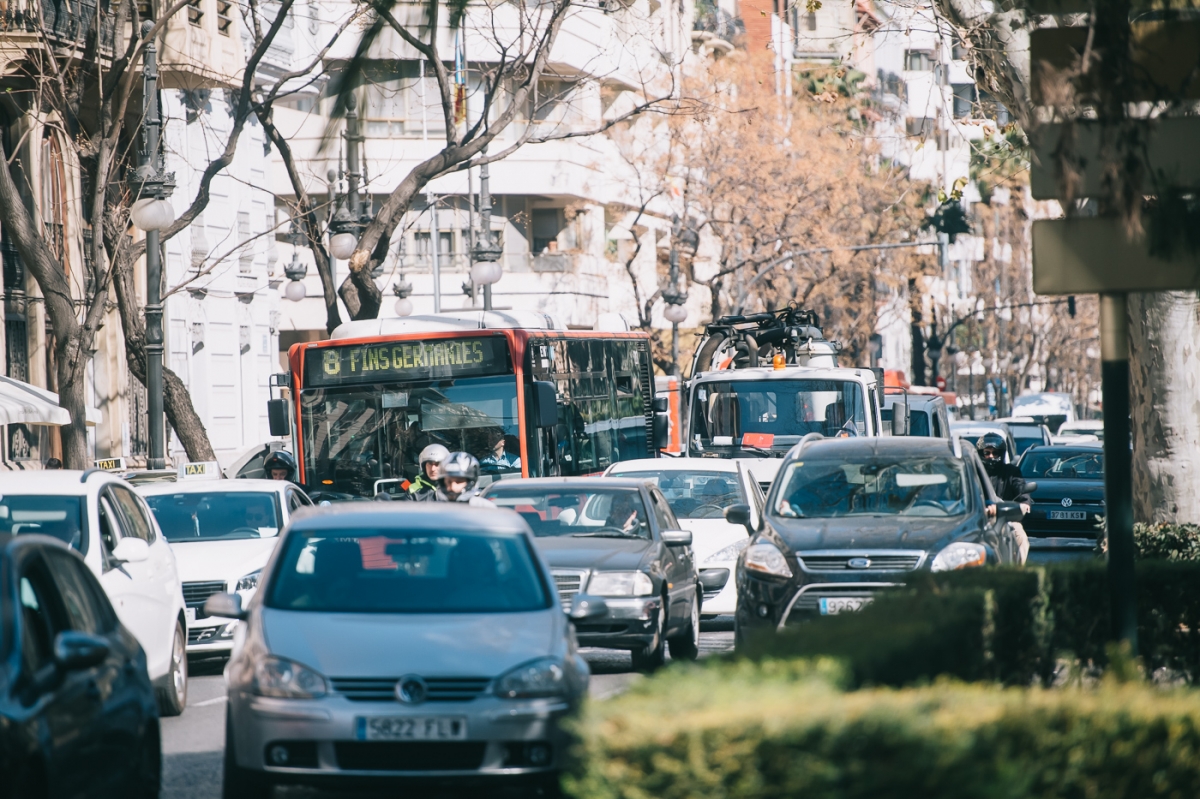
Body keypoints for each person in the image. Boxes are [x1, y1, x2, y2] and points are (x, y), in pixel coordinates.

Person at [977, 432, 1031, 564]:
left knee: (1020, 537)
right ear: (981, 453)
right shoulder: (973, 472)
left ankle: (1019, 571)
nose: (991, 456)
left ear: (1001, 454)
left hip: (1005, 518)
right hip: (977, 518)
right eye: (987, 453)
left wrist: (1024, 503)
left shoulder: (1011, 472)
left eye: (995, 453)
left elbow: (1020, 487)